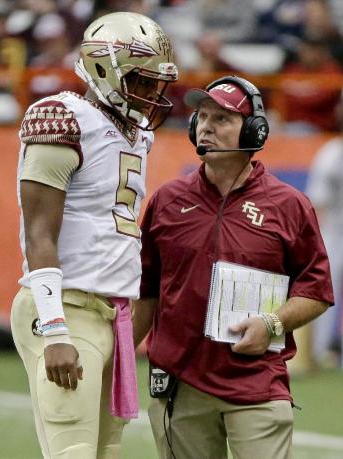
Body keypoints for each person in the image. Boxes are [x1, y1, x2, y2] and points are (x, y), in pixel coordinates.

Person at [133, 75, 334, 459]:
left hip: (257, 383)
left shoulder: (289, 205)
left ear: (255, 131)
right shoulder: (167, 201)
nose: (207, 125)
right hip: (180, 385)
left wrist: (272, 325)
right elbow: (146, 292)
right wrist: (119, 360)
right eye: (202, 116)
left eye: (222, 118)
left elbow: (317, 290)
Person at [10, 11, 178, 459]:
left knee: (106, 453)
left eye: (155, 84)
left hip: (111, 317)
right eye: (141, 82)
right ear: (105, 68)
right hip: (67, 307)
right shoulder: (61, 117)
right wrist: (55, 329)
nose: (150, 96)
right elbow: (39, 234)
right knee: (74, 453)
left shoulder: (136, 135)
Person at [305, 90, 343, 367]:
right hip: (335, 231)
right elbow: (318, 203)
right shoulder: (330, 154)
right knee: (324, 293)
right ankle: (317, 353)